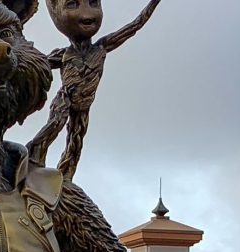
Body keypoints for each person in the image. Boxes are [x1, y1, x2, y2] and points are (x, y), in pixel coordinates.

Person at [28, 0, 162, 179]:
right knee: (54, 125)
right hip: (65, 99)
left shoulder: (101, 48)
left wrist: (153, 3)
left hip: (84, 104)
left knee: (75, 142)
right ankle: (31, 159)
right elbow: (36, 65)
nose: (86, 13)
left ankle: (65, 178)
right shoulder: (64, 54)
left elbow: (135, 25)